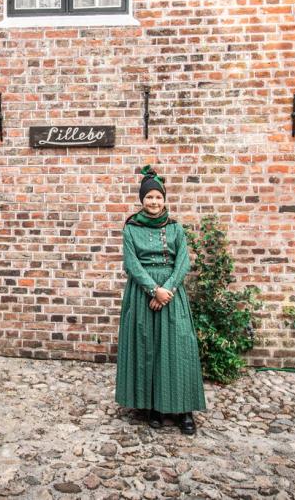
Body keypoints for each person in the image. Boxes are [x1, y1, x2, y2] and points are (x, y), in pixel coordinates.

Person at [114, 165, 207, 434]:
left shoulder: (176, 228)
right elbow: (131, 263)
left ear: (164, 199)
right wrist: (153, 290)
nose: (153, 202)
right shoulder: (131, 228)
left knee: (179, 348)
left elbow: (183, 261)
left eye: (158, 197)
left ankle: (184, 409)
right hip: (142, 294)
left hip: (172, 294)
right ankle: (153, 405)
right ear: (141, 200)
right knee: (150, 349)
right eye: (148, 197)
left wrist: (167, 289)